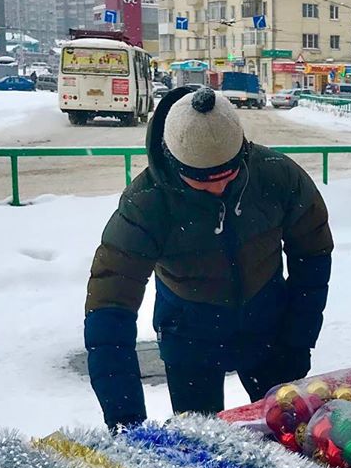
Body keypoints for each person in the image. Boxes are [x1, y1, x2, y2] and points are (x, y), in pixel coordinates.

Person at [84, 86, 333, 429]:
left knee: (288, 436)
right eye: (201, 181)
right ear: (175, 164)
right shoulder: (146, 205)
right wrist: (125, 419)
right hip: (190, 339)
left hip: (269, 332)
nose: (218, 189)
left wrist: (297, 339)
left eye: (227, 176)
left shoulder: (276, 176)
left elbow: (313, 257)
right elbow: (109, 311)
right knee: (202, 447)